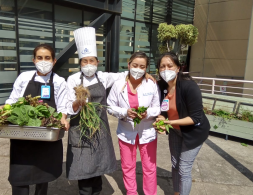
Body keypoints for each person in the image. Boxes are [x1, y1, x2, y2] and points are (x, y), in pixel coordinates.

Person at [66, 27, 155, 195]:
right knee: (83, 167)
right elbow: (68, 107)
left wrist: (145, 75)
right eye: (85, 61)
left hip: (99, 128)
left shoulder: (104, 77)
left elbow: (125, 74)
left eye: (92, 61)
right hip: (80, 128)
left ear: (97, 62)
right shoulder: (72, 79)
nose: (88, 65)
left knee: (98, 165)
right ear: (80, 63)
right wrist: (78, 103)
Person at [0, 44, 69, 195]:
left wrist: (63, 118)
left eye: (47, 58)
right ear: (34, 60)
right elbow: (13, 99)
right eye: (40, 58)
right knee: (19, 176)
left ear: (54, 61)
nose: (43, 61)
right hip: (23, 134)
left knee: (43, 175)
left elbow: (63, 107)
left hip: (46, 134)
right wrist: (4, 108)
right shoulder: (24, 77)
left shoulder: (59, 81)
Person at [153, 52, 210, 195]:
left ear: (178, 68)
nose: (166, 69)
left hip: (193, 132)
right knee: (175, 163)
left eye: (170, 66)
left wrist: (168, 122)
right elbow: (163, 109)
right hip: (175, 131)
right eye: (162, 67)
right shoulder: (161, 86)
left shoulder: (189, 86)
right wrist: (161, 120)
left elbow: (196, 117)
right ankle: (177, 192)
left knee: (184, 168)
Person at [107, 52, 160, 195]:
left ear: (146, 69)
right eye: (135, 65)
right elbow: (110, 106)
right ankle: (131, 192)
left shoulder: (151, 84)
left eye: (142, 66)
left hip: (147, 132)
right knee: (127, 166)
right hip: (126, 132)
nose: (138, 69)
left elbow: (157, 107)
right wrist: (124, 112)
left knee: (149, 167)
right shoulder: (119, 85)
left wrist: (147, 113)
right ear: (129, 65)